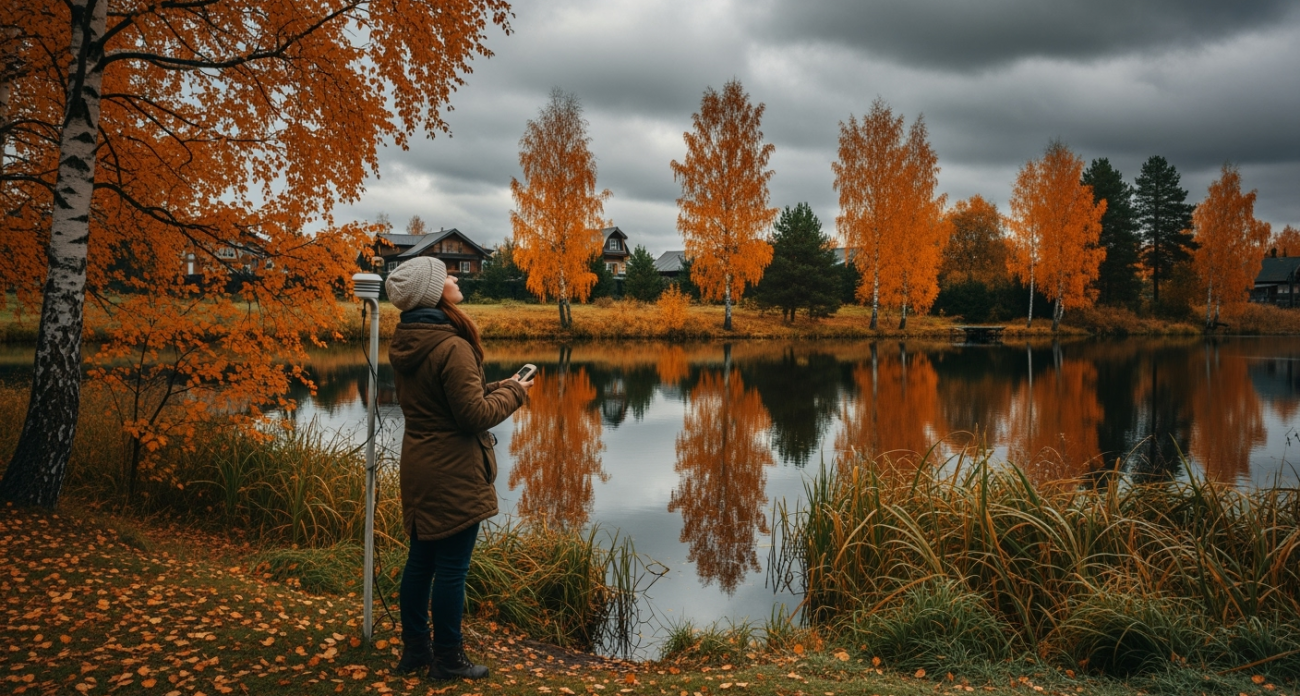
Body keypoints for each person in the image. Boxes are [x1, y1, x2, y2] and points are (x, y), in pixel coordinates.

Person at [385, 257, 532, 680]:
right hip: (453, 471)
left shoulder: (410, 340)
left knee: (420, 564)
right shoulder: (452, 345)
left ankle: (416, 651)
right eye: (446, 275)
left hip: (420, 465)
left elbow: (451, 399)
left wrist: (505, 385)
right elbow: (473, 415)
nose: (454, 277)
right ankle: (448, 659)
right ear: (433, 293)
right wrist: (516, 395)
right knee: (452, 569)